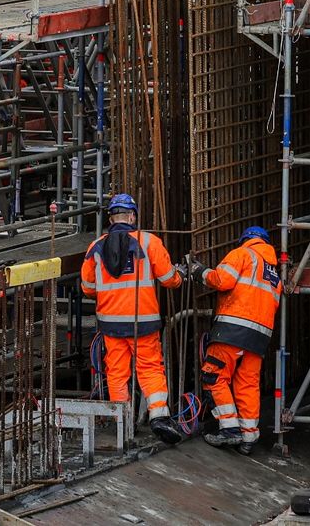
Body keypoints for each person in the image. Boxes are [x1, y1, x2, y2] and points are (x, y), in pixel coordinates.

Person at [79, 192, 185, 444]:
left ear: (111, 218)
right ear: (132, 216)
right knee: (149, 368)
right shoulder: (149, 242)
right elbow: (169, 278)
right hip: (143, 321)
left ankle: (122, 425)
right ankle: (159, 416)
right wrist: (180, 277)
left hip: (110, 322)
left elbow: (87, 286)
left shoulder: (96, 247)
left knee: (116, 372)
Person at [199, 225, 283, 455]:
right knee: (247, 384)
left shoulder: (242, 254)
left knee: (213, 375)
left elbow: (221, 280)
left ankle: (229, 428)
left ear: (245, 239)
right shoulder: (274, 274)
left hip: (233, 329)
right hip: (259, 337)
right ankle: (248, 437)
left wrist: (200, 273)